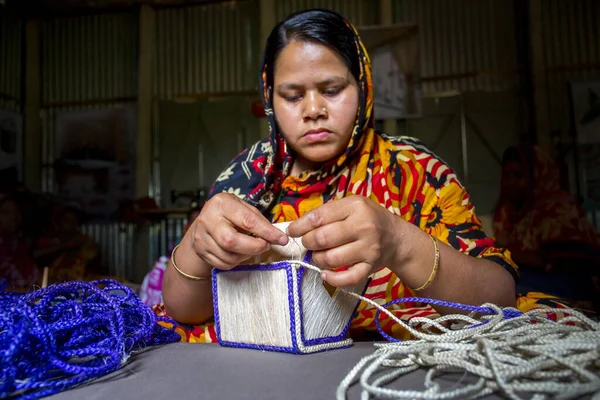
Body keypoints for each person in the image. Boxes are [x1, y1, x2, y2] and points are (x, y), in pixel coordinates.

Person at [156, 9, 569, 343]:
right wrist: (195, 246)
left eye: (332, 89)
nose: (313, 109)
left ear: (364, 86)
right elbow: (184, 310)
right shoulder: (246, 179)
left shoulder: (414, 172)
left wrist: (398, 244)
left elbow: (498, 296)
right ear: (269, 96)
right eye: (292, 95)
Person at [493, 145, 600, 309]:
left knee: (502, 289)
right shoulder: (508, 212)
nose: (511, 182)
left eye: (518, 175)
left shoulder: (558, 208)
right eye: (507, 175)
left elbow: (555, 262)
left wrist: (502, 252)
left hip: (569, 282)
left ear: (536, 177)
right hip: (530, 278)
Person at [34, 205, 100, 284]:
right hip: (49, 288)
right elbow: (35, 256)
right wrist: (64, 246)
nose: (71, 224)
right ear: (58, 222)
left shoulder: (85, 242)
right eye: (67, 220)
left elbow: (92, 265)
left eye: (74, 220)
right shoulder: (48, 241)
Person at [0, 195, 40, 290]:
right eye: (6, 213)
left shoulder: (19, 245)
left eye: (17, 212)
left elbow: (34, 277)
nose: (13, 217)